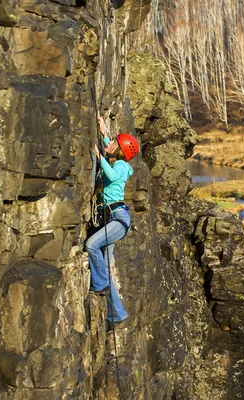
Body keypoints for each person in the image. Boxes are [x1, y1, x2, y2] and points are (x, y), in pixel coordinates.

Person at [86, 114, 139, 326]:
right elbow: (112, 151)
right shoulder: (116, 159)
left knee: (91, 245)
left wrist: (99, 158)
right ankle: (116, 314)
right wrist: (104, 132)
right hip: (111, 219)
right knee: (106, 269)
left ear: (120, 150)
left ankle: (99, 286)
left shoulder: (122, 167)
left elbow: (112, 175)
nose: (111, 144)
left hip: (118, 219)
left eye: (115, 143)